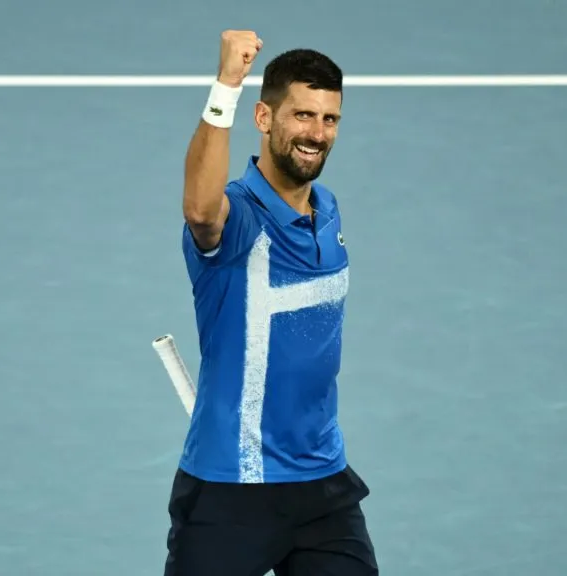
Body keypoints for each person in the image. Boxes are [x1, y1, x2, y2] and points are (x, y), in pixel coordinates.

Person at [163, 30, 379, 576]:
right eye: (302, 115)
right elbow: (200, 210)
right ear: (263, 118)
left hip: (322, 485)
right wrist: (226, 85)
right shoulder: (238, 219)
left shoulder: (326, 211)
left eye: (329, 119)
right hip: (231, 490)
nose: (317, 133)